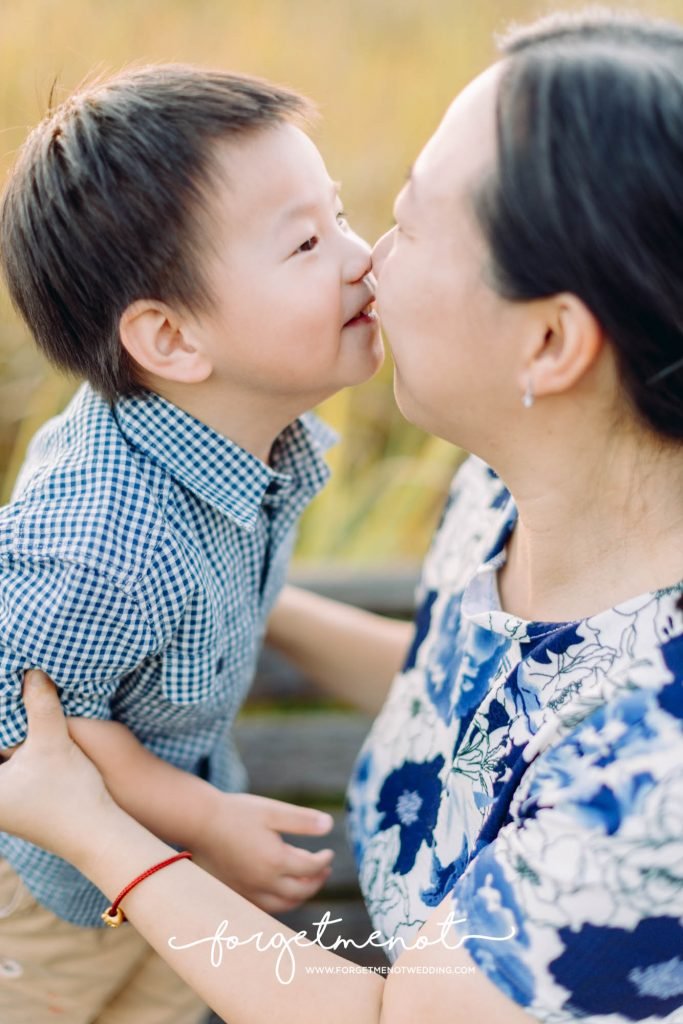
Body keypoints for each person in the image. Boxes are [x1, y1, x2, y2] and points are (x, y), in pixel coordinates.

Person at [1, 7, 683, 1023]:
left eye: (404, 223)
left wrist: (119, 843)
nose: (367, 260)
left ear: (548, 345)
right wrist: (213, 591)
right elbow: (464, 697)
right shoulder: (516, 471)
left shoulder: (652, 780)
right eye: (321, 235)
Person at [0, 65, 383, 1022]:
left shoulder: (242, 438)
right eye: (305, 242)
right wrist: (207, 821)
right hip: (51, 892)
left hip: (172, 846)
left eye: (337, 216)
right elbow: (32, 726)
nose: (359, 256)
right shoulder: (100, 539)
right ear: (169, 340)